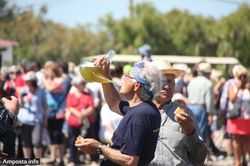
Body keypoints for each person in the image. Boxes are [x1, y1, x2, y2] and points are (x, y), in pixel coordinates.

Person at [75, 57, 162, 166]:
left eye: (127, 76)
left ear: (137, 85)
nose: (123, 78)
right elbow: (114, 103)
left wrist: (99, 147)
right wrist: (104, 75)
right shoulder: (145, 109)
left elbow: (130, 160)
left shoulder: (140, 114)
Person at [150, 65, 207, 166]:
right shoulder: (141, 112)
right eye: (162, 81)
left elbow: (199, 158)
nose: (167, 86)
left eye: (170, 82)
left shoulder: (184, 113)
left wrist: (190, 131)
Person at [65, 76, 95, 166]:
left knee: (88, 140)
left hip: (86, 122)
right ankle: (73, 159)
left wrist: (83, 114)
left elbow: (91, 107)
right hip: (73, 122)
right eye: (81, 83)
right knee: (72, 141)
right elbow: (69, 107)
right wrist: (79, 115)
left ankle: (91, 158)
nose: (83, 85)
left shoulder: (88, 94)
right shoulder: (71, 95)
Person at [17, 71, 47, 158]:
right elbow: (21, 105)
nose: (27, 83)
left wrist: (45, 120)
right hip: (25, 120)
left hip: (37, 120)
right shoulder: (23, 90)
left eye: (29, 81)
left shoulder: (41, 92)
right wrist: (21, 98)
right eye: (26, 81)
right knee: (26, 142)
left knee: (37, 142)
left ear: (34, 81)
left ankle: (37, 162)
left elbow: (45, 107)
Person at [225, 65, 250, 166]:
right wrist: (239, 88)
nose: (243, 78)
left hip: (247, 119)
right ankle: (237, 161)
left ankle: (245, 159)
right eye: (240, 76)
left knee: (247, 141)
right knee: (236, 141)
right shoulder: (232, 86)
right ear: (237, 77)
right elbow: (232, 99)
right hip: (235, 118)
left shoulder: (249, 87)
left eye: (245, 76)